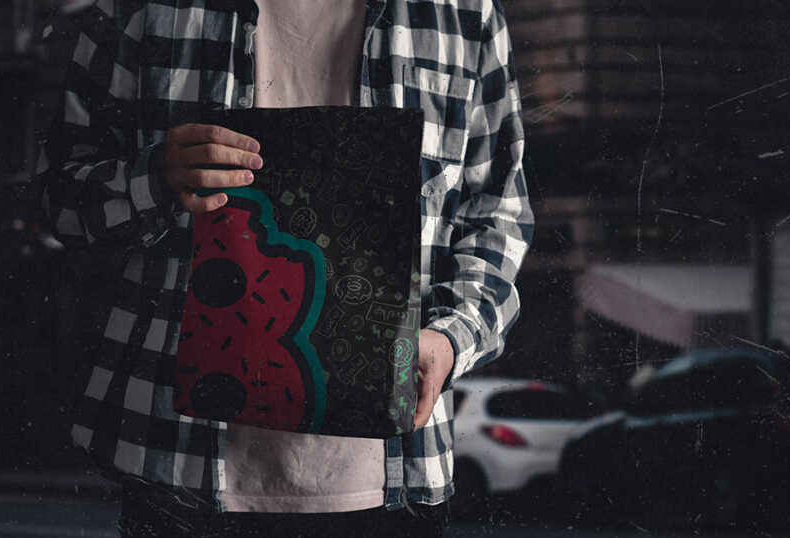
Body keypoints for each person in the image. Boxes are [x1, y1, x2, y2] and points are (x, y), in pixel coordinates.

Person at [37, 0, 532, 535]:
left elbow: (496, 213)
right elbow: (58, 197)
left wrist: (452, 338)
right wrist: (155, 176)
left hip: (394, 472)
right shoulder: (138, 7)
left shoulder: (463, 12)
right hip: (174, 458)